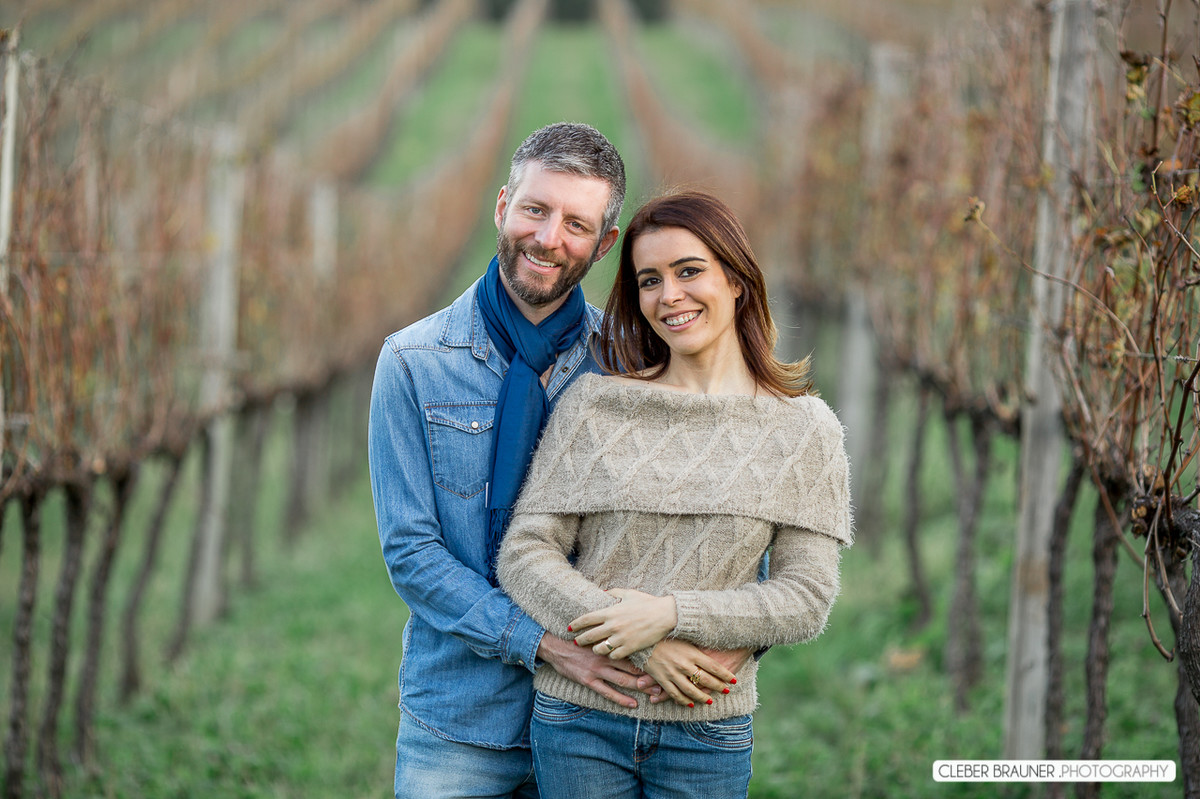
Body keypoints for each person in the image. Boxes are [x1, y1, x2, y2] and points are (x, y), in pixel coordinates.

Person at [367, 124, 748, 799]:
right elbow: (412, 553)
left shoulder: (636, 364)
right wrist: (544, 642)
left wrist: (730, 637)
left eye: (576, 223)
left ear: (604, 244)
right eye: (535, 210)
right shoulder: (411, 363)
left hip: (599, 722)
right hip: (461, 718)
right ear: (503, 206)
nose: (547, 238)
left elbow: (723, 523)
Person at [496, 190, 854, 798]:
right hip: (580, 718)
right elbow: (526, 554)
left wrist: (669, 617)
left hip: (707, 730)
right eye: (649, 280)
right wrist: (642, 647)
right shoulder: (595, 406)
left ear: (737, 280)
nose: (670, 297)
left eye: (690, 272)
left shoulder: (805, 429)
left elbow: (808, 595)